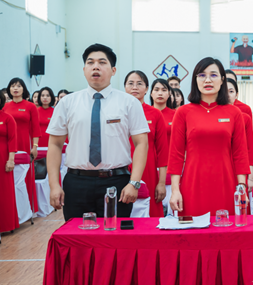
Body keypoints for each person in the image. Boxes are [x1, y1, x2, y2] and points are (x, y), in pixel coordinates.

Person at [46, 44, 149, 221]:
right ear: (84, 69)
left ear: (113, 70)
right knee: (78, 235)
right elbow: (55, 145)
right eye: (90, 62)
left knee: (114, 234)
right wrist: (54, 185)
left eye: (102, 62)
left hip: (116, 182)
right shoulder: (67, 103)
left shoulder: (129, 103)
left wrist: (134, 183)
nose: (96, 67)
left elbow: (141, 143)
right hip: (77, 182)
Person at [169, 58, 250, 216]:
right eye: (202, 75)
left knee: (226, 228)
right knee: (193, 229)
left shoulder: (234, 113)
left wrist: (242, 189)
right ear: (195, 80)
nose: (207, 80)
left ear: (222, 80)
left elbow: (240, 154)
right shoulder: (183, 112)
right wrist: (175, 190)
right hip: (193, 183)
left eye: (213, 75)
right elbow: (176, 155)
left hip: (225, 183)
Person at [124, 70, 168, 217]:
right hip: (122, 170)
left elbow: (163, 151)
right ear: (125, 87)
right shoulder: (117, 112)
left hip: (148, 170)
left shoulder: (155, 114)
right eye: (130, 83)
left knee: (150, 215)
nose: (134, 87)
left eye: (139, 84)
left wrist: (161, 183)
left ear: (147, 89)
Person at [4, 77, 40, 212]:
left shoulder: (30, 106)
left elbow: (36, 128)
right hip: (8, 144)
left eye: (18, 86)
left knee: (26, 175)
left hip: (25, 143)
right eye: (13, 86)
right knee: (9, 175)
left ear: (23, 89)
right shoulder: (5, 107)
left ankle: (27, 209)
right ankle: (11, 208)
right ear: (9, 89)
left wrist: (35, 146)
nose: (15, 88)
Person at [0, 87, 19, 233]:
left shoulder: (7, 118)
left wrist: (11, 160)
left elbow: (12, 140)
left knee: (2, 192)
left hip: (2, 160)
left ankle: (5, 225)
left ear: (1, 100)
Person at [227, 79, 253, 190]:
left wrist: (251, 177)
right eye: (223, 91)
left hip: (240, 166)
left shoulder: (244, 118)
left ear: (237, 94)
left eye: (231, 91)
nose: (227, 95)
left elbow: (249, 148)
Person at [150, 79, 175, 150]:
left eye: (164, 90)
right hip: (149, 156)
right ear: (151, 93)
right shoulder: (143, 113)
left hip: (169, 155)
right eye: (156, 90)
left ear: (169, 93)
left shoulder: (176, 115)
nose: (160, 93)